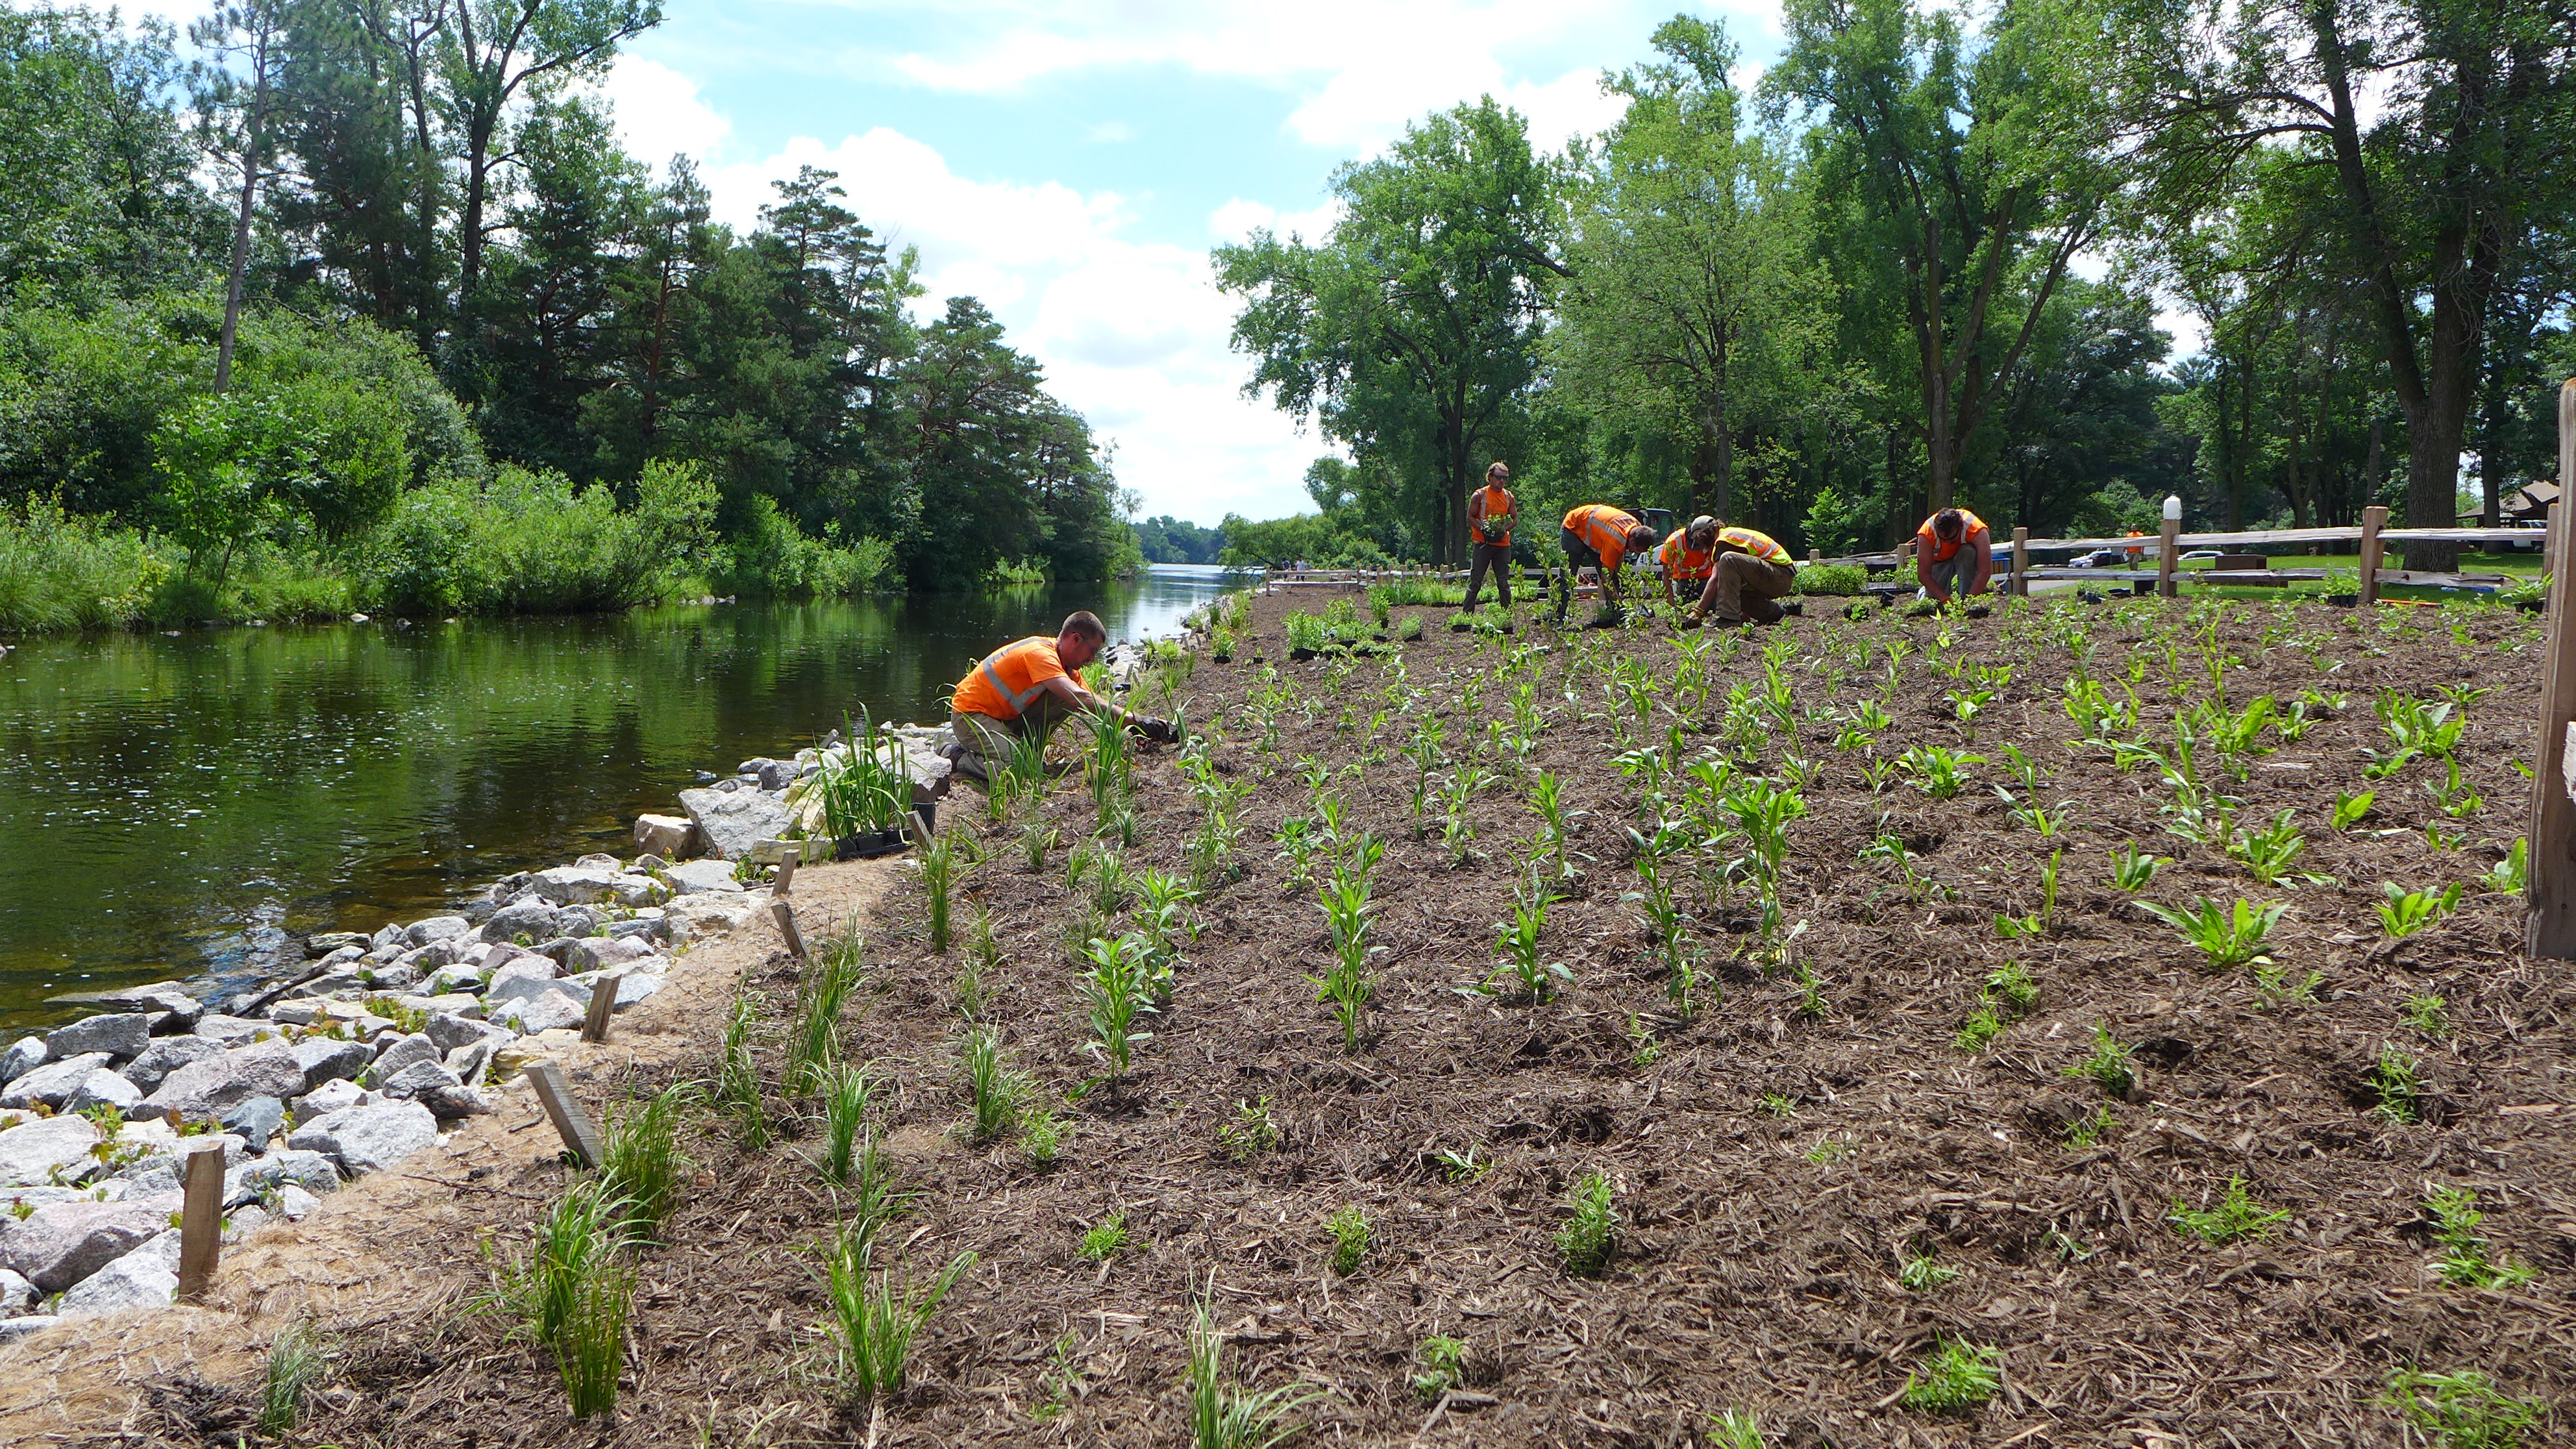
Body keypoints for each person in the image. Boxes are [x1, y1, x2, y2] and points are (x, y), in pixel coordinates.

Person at [948, 611, 1172, 782]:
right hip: (970, 716)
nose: (1093, 659)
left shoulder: (1068, 671)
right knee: (1019, 769)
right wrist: (1136, 718)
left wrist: (1134, 728)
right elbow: (1079, 697)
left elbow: (1092, 703)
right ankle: (957, 756)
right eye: (1092, 651)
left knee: (1068, 699)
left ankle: (1016, 748)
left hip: (1000, 718)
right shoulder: (1040, 653)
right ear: (1075, 639)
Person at [1557, 504, 1659, 621]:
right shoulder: (1615, 541)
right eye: (1636, 550)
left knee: (1614, 577)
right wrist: (1621, 604)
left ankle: (1614, 614)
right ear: (1632, 540)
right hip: (1574, 527)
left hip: (1595, 532)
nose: (1635, 553)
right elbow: (1606, 579)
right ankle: (1557, 616)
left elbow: (1618, 563)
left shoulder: (1636, 528)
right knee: (1567, 575)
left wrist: (1624, 584)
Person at [1686, 520, 1797, 625]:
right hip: (1780, 577)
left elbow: (1715, 579)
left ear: (1705, 534)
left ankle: (1727, 618)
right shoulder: (1730, 536)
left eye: (1700, 540)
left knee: (1728, 559)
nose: (1703, 546)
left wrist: (1698, 611)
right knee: (1733, 593)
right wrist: (1745, 613)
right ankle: (1771, 612)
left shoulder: (1723, 541)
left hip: (1779, 573)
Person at [1461, 462, 1518, 612]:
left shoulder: (1508, 497)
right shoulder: (1479, 495)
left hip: (1503, 544)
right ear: (1490, 477)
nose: (1502, 481)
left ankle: (1506, 615)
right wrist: (1484, 528)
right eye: (1499, 477)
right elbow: (1470, 517)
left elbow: (1515, 519)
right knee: (1475, 582)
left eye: (1505, 478)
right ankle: (1466, 616)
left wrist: (1503, 529)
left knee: (1503, 583)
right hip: (1482, 543)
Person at [1915, 506, 1994, 602]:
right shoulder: (1927, 533)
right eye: (1944, 540)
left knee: (1968, 552)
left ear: (1960, 527)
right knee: (1935, 602)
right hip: (1940, 562)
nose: (1948, 543)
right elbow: (1923, 574)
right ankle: (1924, 593)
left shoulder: (1976, 530)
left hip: (1964, 557)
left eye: (1952, 540)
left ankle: (1966, 597)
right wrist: (1944, 598)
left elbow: (1985, 571)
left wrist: (1969, 602)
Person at [1657, 516, 1718, 609]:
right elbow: (1666, 575)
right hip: (1681, 581)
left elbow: (1717, 572)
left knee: (1711, 608)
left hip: (1706, 579)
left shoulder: (1712, 541)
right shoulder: (1674, 541)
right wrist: (1672, 605)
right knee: (1683, 609)